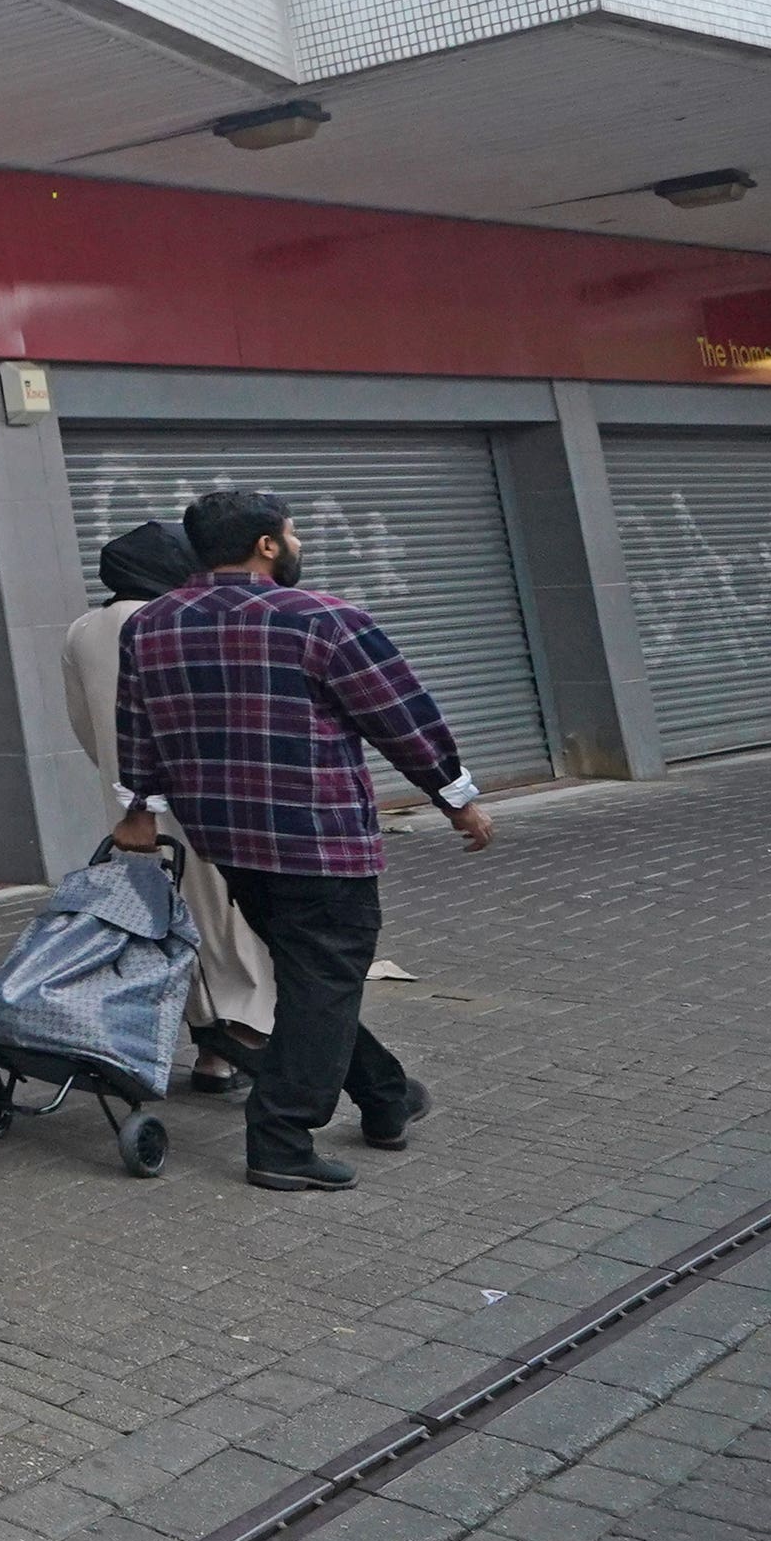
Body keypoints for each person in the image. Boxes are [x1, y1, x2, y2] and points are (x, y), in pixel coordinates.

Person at [111, 489, 492, 1193]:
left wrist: (139, 807)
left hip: (226, 839)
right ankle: (281, 1136)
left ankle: (384, 1097)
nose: (297, 544)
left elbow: (136, 725)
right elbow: (400, 714)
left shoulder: (151, 626)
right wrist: (456, 797)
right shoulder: (322, 619)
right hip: (318, 838)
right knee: (324, 977)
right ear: (266, 546)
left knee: (314, 975)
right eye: (291, 534)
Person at [60, 517, 276, 1094]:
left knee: (177, 925)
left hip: (135, 811)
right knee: (238, 923)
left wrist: (121, 781)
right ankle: (247, 1045)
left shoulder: (83, 630)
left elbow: (83, 724)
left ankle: (209, 1052)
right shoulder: (178, 621)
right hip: (212, 802)